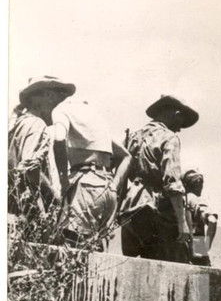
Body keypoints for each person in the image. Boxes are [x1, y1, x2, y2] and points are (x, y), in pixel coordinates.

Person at [120, 95, 199, 262]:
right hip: (157, 211)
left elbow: (118, 171)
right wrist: (182, 223)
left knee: (132, 267)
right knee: (171, 266)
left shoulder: (132, 137)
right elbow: (173, 183)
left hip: (130, 208)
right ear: (176, 114)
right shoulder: (169, 137)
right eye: (180, 122)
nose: (179, 129)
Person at [50, 96, 132, 250]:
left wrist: (63, 178)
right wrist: (114, 186)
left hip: (86, 187)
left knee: (72, 249)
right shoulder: (95, 115)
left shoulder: (61, 110)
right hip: (107, 187)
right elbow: (127, 156)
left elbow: (59, 138)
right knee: (95, 250)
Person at [8, 76, 75, 224]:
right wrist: (55, 199)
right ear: (48, 96)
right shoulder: (36, 124)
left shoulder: (19, 125)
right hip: (22, 217)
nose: (61, 107)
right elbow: (30, 168)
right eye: (61, 98)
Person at [181, 169, 218, 266]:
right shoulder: (195, 200)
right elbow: (212, 220)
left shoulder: (178, 200)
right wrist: (207, 246)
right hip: (198, 245)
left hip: (180, 249)